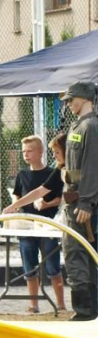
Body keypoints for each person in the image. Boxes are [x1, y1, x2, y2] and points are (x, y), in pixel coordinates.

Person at [3, 134, 68, 311]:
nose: (26, 154)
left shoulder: (55, 172)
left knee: (53, 267)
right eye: (24, 151)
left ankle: (61, 305)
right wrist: (15, 205)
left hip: (48, 227)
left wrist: (46, 203)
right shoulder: (23, 174)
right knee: (29, 267)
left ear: (40, 152)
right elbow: (20, 193)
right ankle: (34, 305)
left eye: (30, 150)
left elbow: (60, 197)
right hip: (26, 227)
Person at [60, 81, 98, 321]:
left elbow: (92, 166)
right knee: (78, 252)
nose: (69, 103)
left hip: (82, 204)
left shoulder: (91, 126)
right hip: (72, 199)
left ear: (84, 98)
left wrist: (86, 202)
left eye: (71, 98)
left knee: (77, 253)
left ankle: (85, 311)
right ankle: (88, 310)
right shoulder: (78, 125)